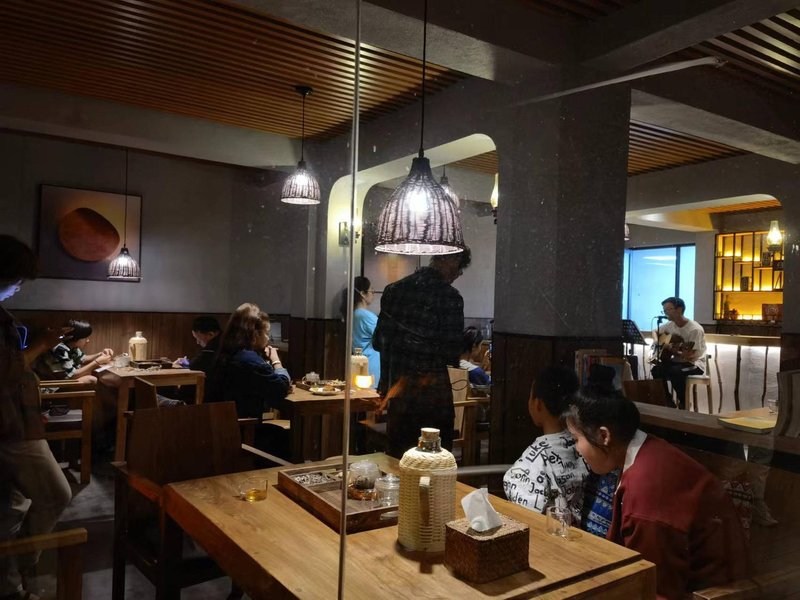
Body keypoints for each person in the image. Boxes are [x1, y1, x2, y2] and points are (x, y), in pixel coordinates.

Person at [566, 388, 749, 600]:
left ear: (604, 435)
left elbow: (655, 589)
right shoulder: (648, 450)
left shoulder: (645, 490)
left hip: (709, 594)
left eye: (576, 438)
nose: (577, 449)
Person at [0, 235, 72, 600]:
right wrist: (44, 343)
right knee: (54, 493)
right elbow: (7, 373)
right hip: (9, 426)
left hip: (16, 420)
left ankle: (11, 581)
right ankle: (22, 564)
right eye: (17, 280)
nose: (19, 287)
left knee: (11, 505)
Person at [373, 247, 471, 458]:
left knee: (398, 460)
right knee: (434, 462)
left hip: (398, 394)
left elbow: (378, 342)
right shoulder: (450, 297)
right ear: (451, 260)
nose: (458, 274)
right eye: (460, 267)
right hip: (432, 397)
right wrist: (467, 343)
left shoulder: (393, 290)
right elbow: (451, 354)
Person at [503, 366, 586, 522]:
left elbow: (524, 513)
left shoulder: (535, 459)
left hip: (548, 533)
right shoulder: (586, 445)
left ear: (538, 405)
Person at [207, 303, 290, 420]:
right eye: (266, 333)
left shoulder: (225, 352)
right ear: (255, 334)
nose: (268, 338)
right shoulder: (250, 360)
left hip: (219, 422)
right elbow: (281, 389)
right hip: (244, 426)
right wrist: (276, 361)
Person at [651, 296, 706, 409]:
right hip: (677, 362)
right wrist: (658, 342)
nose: (666, 313)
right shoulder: (671, 325)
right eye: (664, 310)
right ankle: (667, 401)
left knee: (675, 372)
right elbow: (655, 331)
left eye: (669, 309)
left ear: (679, 309)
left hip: (694, 364)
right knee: (656, 370)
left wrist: (672, 349)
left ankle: (684, 403)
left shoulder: (694, 329)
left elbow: (690, 355)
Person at [32, 319, 113, 384]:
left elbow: (83, 359)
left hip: (63, 381)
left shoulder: (72, 346)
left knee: (97, 376)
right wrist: (96, 362)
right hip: (53, 386)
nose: (87, 341)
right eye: (85, 338)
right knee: (92, 379)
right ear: (75, 338)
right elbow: (71, 376)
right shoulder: (59, 349)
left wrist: (100, 354)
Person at [351, 277, 380, 389]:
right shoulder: (366, 316)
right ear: (363, 294)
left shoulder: (354, 314)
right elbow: (384, 335)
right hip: (371, 363)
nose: (373, 294)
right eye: (371, 291)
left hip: (359, 362)